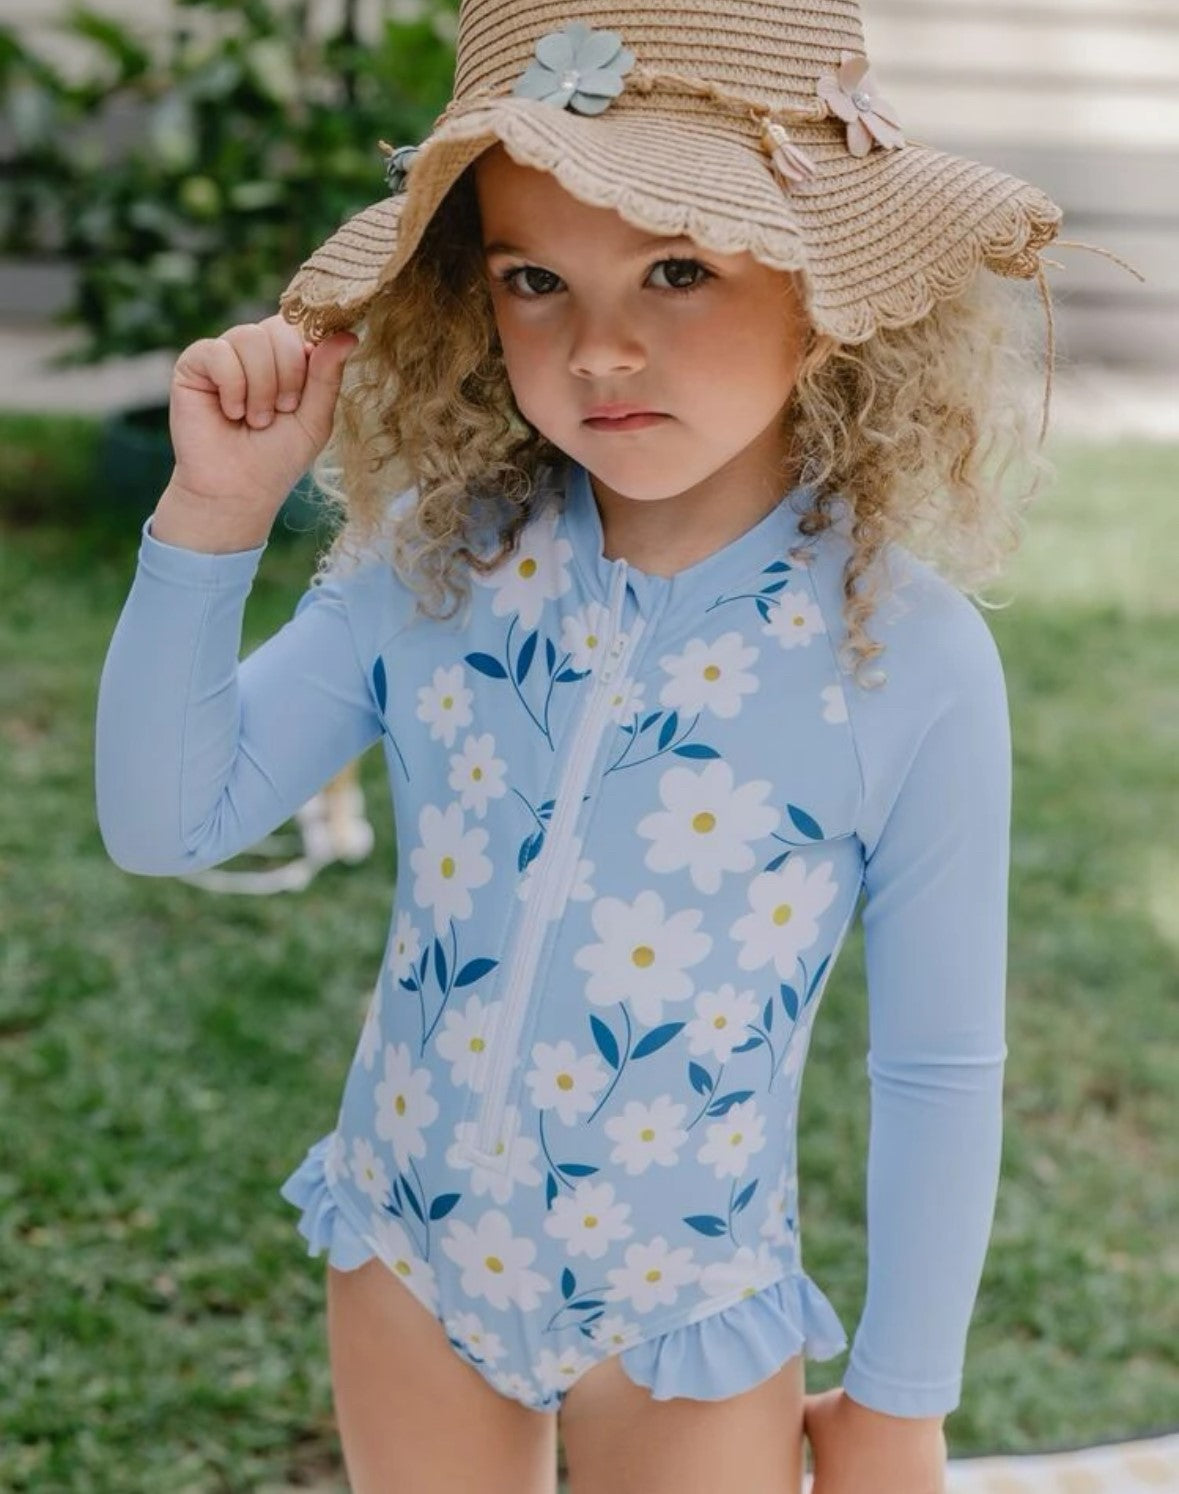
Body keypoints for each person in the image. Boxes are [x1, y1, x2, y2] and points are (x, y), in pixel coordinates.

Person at [93, 3, 1136, 1491]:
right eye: (536, 278)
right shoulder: (429, 567)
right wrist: (212, 519)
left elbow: (936, 1065)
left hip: (685, 1317)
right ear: (475, 294)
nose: (601, 347)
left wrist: (900, 1399)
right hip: (407, 1248)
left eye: (678, 268)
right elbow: (162, 819)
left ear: (823, 285)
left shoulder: (906, 659)